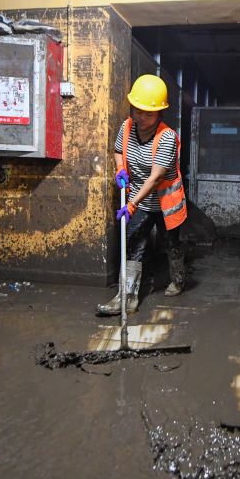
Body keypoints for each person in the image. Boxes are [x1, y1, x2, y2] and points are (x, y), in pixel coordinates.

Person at [96, 74, 187, 316]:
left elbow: (156, 177)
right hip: (139, 199)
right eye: (138, 110)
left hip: (166, 203)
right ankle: (128, 297)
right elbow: (117, 151)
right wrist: (120, 169)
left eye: (148, 113)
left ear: (159, 114)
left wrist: (132, 204)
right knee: (134, 245)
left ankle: (178, 279)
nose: (142, 117)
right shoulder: (126, 127)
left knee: (171, 244)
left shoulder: (166, 137)